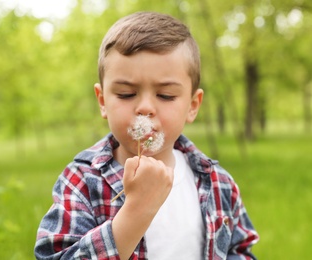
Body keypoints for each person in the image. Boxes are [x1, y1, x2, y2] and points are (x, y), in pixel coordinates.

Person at [34, 11, 259, 259]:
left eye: (165, 96)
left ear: (193, 105)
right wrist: (136, 210)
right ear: (102, 101)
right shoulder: (82, 182)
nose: (145, 108)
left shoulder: (218, 182)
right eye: (126, 94)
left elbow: (239, 249)